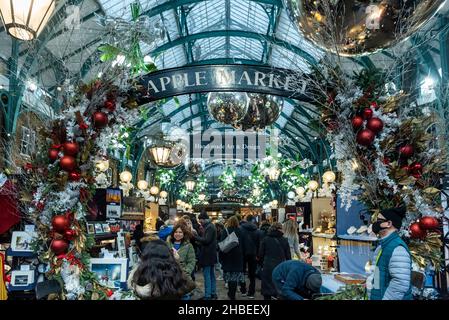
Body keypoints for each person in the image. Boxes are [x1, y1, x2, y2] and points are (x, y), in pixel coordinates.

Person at [368, 206, 412, 300]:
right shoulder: (382, 246)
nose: (376, 223)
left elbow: (400, 284)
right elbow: (376, 275)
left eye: (379, 220)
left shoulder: (398, 249)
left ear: (388, 223)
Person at [127, 239, 195, 300]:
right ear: (169, 255)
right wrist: (177, 262)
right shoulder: (175, 273)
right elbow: (190, 285)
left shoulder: (140, 274)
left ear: (146, 255)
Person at [259, 222, 291, 300]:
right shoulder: (284, 240)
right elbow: (288, 257)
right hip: (281, 266)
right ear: (280, 229)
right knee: (279, 287)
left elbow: (260, 254)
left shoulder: (265, 239)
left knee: (267, 288)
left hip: (268, 266)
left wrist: (262, 264)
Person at [218, 216, 244, 300]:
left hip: (227, 256)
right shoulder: (241, 231)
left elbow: (222, 245)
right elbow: (244, 244)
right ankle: (232, 293)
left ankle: (230, 293)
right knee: (235, 276)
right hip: (238, 256)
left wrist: (221, 258)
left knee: (228, 276)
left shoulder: (225, 231)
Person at [194, 211, 218, 300]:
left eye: (200, 220)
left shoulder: (209, 227)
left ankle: (208, 295)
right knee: (211, 274)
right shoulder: (210, 226)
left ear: (204, 219)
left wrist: (195, 237)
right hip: (211, 254)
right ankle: (213, 293)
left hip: (208, 255)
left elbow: (206, 240)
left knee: (207, 275)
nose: (200, 222)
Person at [239, 214, 260, 298]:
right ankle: (251, 292)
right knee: (252, 274)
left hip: (242, 253)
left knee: (242, 272)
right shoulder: (257, 230)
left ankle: (243, 289)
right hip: (253, 254)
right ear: (253, 220)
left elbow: (239, 242)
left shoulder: (240, 229)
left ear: (246, 220)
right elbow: (259, 244)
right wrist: (258, 254)